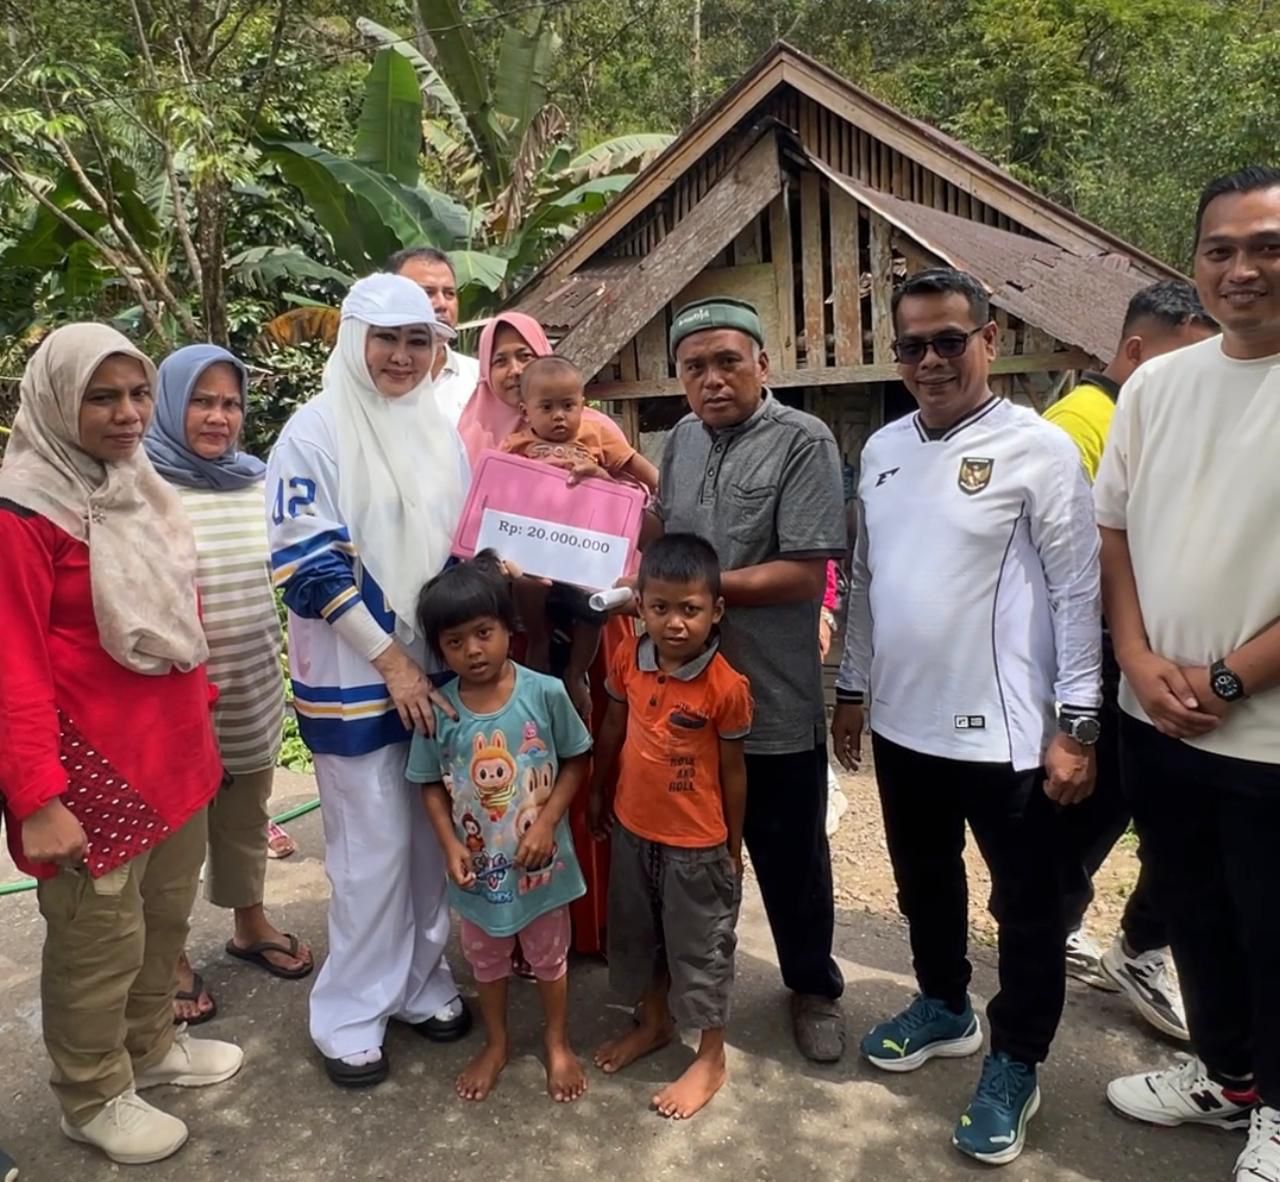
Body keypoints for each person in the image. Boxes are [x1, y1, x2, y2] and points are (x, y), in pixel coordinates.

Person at [831, 267, 1102, 1166]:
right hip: (906, 726)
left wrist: (1079, 724)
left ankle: (1016, 1058)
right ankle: (945, 1005)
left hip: (1012, 737)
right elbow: (867, 581)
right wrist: (852, 688)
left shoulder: (1038, 449)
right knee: (924, 884)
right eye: (912, 346)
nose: (931, 361)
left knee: (1027, 909)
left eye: (950, 341)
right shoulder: (883, 449)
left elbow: (1076, 592)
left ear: (989, 339)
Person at [0, 324, 242, 1165]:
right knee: (96, 944)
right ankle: (93, 1094)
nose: (129, 413)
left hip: (174, 757)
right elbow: (12, 665)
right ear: (57, 402)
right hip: (91, 772)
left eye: (138, 394)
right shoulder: (25, 513)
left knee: (163, 922)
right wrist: (37, 797)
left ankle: (149, 1048)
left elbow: (180, 610)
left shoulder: (138, 487)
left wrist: (202, 714)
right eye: (102, 398)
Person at [1097, 166, 1280, 1182]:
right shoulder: (1156, 386)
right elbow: (1114, 531)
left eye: (1267, 247)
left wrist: (1225, 683)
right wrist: (1132, 657)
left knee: (1271, 928)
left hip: (1264, 735)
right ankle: (1228, 1078)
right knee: (1191, 913)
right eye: (1221, 249)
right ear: (1195, 262)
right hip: (1152, 716)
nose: (1242, 268)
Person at [266, 273, 473, 1089]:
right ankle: (350, 1013)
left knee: (430, 838)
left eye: (418, 340)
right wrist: (392, 663)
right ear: (355, 339)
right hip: (357, 677)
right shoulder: (313, 432)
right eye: (386, 338)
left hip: (436, 675)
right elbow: (307, 566)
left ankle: (420, 982)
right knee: (370, 852)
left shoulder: (437, 431)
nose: (401, 356)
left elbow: (460, 545)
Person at [645, 296, 848, 1063]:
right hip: (685, 695)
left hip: (772, 697)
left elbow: (804, 573)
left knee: (791, 856)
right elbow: (662, 532)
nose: (712, 379)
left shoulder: (803, 441)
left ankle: (813, 987)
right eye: (694, 367)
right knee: (689, 851)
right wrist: (591, 503)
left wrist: (689, 595)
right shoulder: (680, 440)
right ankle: (689, 984)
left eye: (728, 361)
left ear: (762, 363)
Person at [1043, 281, 1217, 1033]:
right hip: (1111, 660)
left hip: (1163, 659)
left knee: (1154, 821)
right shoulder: (1083, 421)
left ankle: (1127, 941)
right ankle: (1065, 936)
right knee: (1092, 814)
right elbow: (1071, 565)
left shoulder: (1166, 420)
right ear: (1139, 352)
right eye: (1191, 356)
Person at [146, 344, 313, 1027]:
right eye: (202, 401)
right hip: (172, 696)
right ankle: (170, 955)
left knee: (245, 814)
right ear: (169, 403)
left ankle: (250, 924)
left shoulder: (257, 482)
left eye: (231, 403)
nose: (219, 416)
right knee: (173, 834)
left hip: (250, 680)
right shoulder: (139, 485)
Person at [408, 552, 593, 1103]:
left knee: (549, 958)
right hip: (479, 873)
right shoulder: (440, 710)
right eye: (455, 641)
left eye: (483, 633)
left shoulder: (545, 693)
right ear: (439, 648)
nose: (473, 650)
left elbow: (577, 759)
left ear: (509, 628)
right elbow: (429, 784)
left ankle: (557, 1042)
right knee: (485, 960)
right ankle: (497, 1043)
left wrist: (548, 823)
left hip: (541, 868)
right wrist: (448, 845)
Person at [588, 533, 751, 1119]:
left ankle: (711, 1057)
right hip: (634, 830)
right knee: (641, 934)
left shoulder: (726, 686)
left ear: (716, 611)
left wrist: (732, 846)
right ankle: (655, 1022)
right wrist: (598, 791)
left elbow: (733, 772)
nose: (675, 623)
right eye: (660, 607)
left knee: (701, 949)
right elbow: (612, 727)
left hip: (697, 845)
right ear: (639, 606)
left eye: (690, 609)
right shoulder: (628, 659)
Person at [500, 354, 658, 715]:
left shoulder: (597, 434)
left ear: (583, 405)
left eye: (568, 406)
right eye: (547, 407)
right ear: (526, 411)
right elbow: (499, 489)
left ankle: (576, 672)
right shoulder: (515, 445)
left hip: (586, 550)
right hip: (538, 549)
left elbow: (640, 469)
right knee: (526, 583)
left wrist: (621, 482)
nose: (559, 416)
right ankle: (538, 641)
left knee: (594, 603)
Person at [386, 246, 479, 425]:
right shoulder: (370, 379)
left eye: (449, 293)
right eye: (427, 293)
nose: (442, 304)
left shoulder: (480, 379)